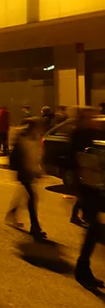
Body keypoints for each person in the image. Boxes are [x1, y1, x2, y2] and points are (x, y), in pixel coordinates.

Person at [69, 108, 104, 290]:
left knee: (94, 230)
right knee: (94, 229)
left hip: (94, 187)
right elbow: (76, 162)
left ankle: (83, 268)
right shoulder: (78, 136)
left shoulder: (90, 134)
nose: (93, 120)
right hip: (86, 188)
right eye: (90, 117)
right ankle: (82, 269)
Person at [5, 118, 47, 241]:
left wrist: (38, 169)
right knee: (32, 197)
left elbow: (36, 155)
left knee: (26, 195)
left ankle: (12, 213)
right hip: (24, 171)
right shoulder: (23, 139)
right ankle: (35, 226)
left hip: (31, 171)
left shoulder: (36, 137)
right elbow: (23, 157)